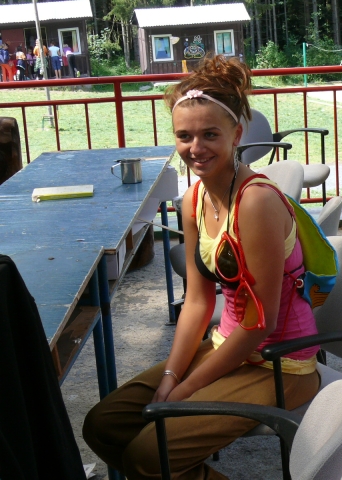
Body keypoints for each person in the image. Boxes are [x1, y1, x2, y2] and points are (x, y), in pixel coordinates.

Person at [83, 54, 321, 479]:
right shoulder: (194, 200)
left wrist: (188, 388)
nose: (196, 148)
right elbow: (197, 301)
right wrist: (171, 375)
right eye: (184, 136)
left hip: (280, 362)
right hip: (228, 345)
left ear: (237, 134)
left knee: (150, 456)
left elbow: (260, 322)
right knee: (104, 425)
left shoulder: (256, 202)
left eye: (210, 134)